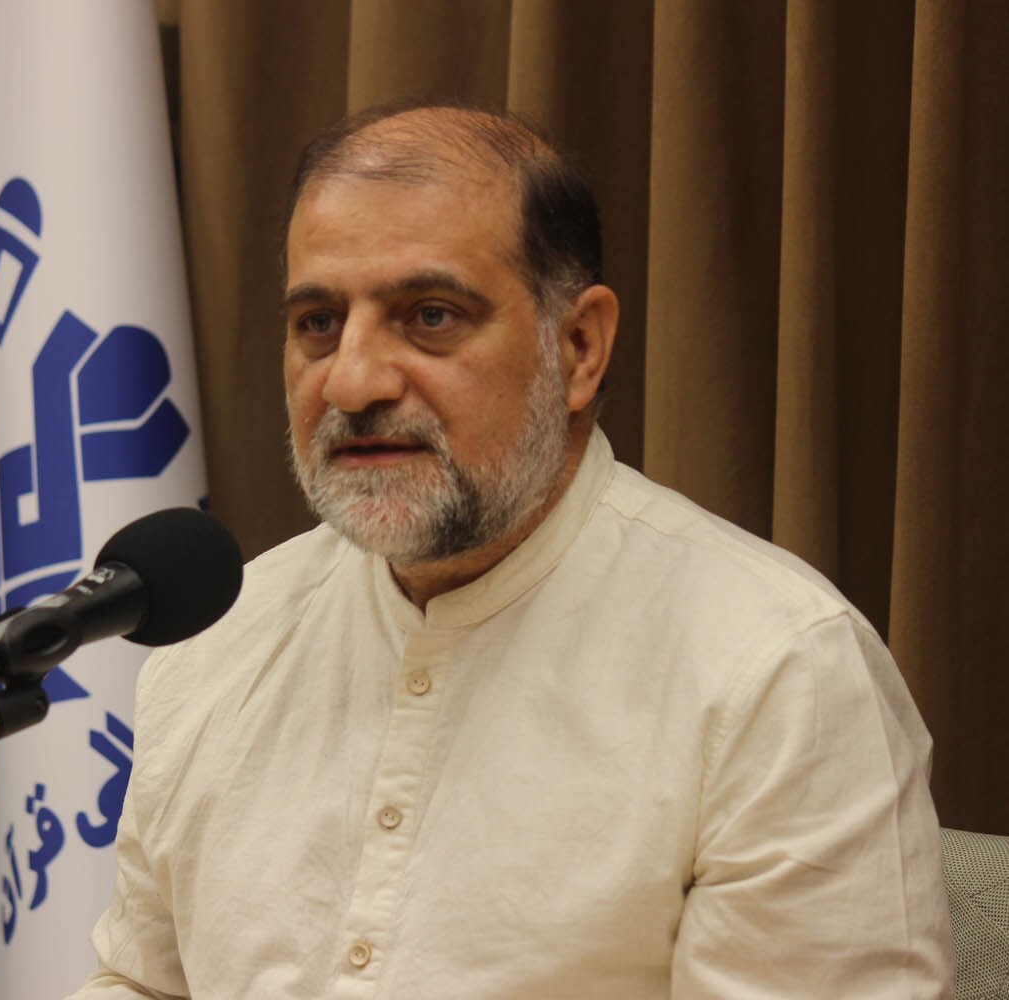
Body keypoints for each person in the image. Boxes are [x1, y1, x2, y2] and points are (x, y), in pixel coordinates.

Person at [68, 103, 953, 998]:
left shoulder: (779, 672)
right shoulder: (220, 638)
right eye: (319, 324)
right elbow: (139, 985)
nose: (352, 381)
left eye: (430, 315)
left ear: (579, 348)